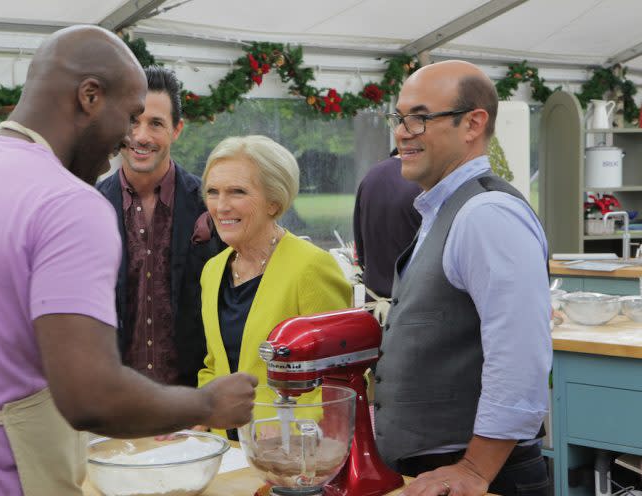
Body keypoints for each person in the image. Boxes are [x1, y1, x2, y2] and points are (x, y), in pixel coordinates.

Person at [0, 26, 256, 496]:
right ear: (89, 97)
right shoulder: (69, 201)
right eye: (128, 116)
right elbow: (91, 395)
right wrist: (207, 405)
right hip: (2, 480)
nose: (128, 137)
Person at [374, 60, 552, 496]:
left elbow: (520, 355)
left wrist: (475, 468)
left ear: (472, 124)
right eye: (399, 118)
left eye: (419, 117)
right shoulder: (448, 210)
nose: (402, 131)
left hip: (484, 478)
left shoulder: (487, 214)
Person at [197, 135, 352, 438]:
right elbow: (214, 366)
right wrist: (199, 414)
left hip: (293, 452)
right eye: (212, 192)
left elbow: (340, 378)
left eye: (237, 192)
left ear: (274, 202)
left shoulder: (311, 267)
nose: (221, 206)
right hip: (225, 454)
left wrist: (288, 430)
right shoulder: (212, 271)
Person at [97, 66, 222, 386]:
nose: (141, 136)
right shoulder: (89, 207)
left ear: (177, 129)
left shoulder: (211, 204)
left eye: (155, 123)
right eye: (132, 121)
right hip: (114, 403)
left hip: (193, 404)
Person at [353, 149, 421, 304]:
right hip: (413, 311)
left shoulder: (371, 177)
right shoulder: (424, 180)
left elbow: (360, 254)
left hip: (375, 308)